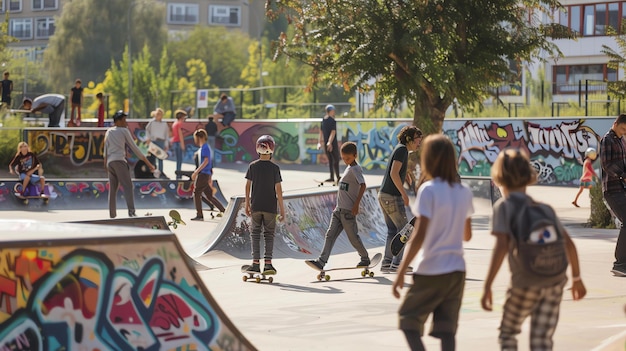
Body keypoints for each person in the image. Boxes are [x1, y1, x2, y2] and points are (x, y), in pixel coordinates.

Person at [481, 148, 586, 351]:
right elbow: (569, 245)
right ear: (529, 176)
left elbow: (501, 247)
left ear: (498, 178)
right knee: (542, 341)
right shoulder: (545, 209)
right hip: (555, 283)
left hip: (525, 282)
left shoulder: (504, 207)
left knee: (508, 333)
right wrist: (577, 278)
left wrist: (487, 286)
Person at [391, 134, 473, 351]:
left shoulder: (428, 190)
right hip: (457, 271)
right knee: (447, 329)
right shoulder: (464, 192)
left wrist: (400, 271)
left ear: (429, 159)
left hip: (432, 269)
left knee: (408, 320)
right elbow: (467, 235)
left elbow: (419, 235)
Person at [305, 142, 371, 270]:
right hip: (338, 210)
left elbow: (363, 185)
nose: (346, 161)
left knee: (353, 238)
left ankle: (365, 258)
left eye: (348, 158)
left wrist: (356, 205)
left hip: (348, 212)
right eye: (343, 158)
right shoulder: (349, 168)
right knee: (329, 235)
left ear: (355, 155)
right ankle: (321, 261)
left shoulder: (356, 169)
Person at [379, 125, 423, 272]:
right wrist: (403, 193)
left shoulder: (400, 149)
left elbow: (397, 171)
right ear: (409, 139)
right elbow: (393, 173)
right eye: (418, 140)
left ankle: (387, 262)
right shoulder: (402, 150)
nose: (419, 143)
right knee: (405, 230)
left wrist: (407, 175)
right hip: (392, 196)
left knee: (393, 231)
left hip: (384, 194)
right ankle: (397, 264)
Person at [244, 135, 286, 274]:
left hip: (256, 206)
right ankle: (268, 264)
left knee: (255, 234)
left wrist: (247, 204)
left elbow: (247, 186)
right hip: (270, 208)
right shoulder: (275, 168)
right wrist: (282, 209)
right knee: (269, 235)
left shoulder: (252, 166)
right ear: (272, 149)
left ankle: (255, 263)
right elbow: (278, 190)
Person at [104, 110, 155, 218]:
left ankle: (112, 214)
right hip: (119, 161)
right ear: (117, 121)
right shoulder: (124, 131)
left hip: (110, 163)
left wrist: (106, 166)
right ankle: (131, 212)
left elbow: (105, 151)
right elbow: (135, 148)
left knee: (113, 189)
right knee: (128, 186)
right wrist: (149, 164)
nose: (125, 122)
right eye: (123, 120)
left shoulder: (108, 131)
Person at [600, 113, 626, 277]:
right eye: (623, 128)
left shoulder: (621, 140)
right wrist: (623, 175)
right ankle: (619, 263)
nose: (624, 132)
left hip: (621, 188)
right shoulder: (607, 139)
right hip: (611, 189)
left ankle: (623, 262)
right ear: (615, 123)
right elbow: (606, 164)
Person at [190, 129, 226, 221]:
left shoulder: (205, 147)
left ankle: (199, 215)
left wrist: (196, 172)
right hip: (206, 174)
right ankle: (224, 212)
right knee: (209, 196)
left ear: (200, 137)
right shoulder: (203, 147)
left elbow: (206, 161)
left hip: (203, 174)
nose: (196, 140)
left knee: (196, 193)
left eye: (197, 138)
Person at [318, 104, 340, 184]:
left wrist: (319, 143)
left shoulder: (323, 120)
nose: (334, 112)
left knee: (331, 160)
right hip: (332, 143)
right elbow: (333, 132)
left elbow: (320, 132)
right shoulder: (332, 121)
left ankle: (332, 177)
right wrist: (330, 142)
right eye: (333, 111)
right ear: (330, 111)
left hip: (327, 143)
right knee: (335, 159)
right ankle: (337, 177)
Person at [145, 107, 170, 175]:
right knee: (152, 158)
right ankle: (152, 171)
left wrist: (166, 144)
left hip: (161, 141)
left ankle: (161, 172)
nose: (158, 115)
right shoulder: (151, 123)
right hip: (153, 141)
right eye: (157, 114)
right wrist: (148, 138)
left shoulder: (164, 124)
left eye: (160, 114)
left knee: (160, 158)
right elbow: (147, 130)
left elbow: (166, 134)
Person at [171, 109, 187, 179]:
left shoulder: (175, 123)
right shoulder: (179, 124)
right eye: (184, 117)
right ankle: (179, 174)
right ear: (181, 117)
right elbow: (180, 134)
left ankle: (178, 172)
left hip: (175, 142)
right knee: (180, 159)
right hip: (178, 142)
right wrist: (182, 144)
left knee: (178, 159)